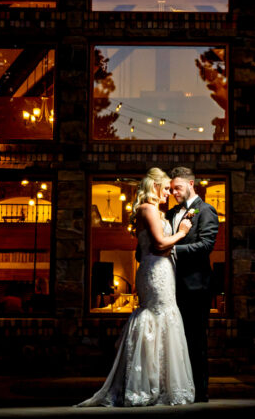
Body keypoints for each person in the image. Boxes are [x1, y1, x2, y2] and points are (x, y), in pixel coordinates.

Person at [77, 168, 195, 407]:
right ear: (155, 187)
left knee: (166, 318)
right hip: (155, 272)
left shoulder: (154, 211)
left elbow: (142, 251)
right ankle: (142, 385)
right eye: (166, 189)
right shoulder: (147, 209)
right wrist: (181, 233)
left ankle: (160, 384)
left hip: (162, 270)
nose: (169, 194)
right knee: (155, 316)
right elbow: (160, 243)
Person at [166, 166, 219, 403]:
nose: (173, 192)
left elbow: (206, 245)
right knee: (175, 341)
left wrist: (173, 250)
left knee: (195, 340)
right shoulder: (172, 213)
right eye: (171, 188)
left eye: (177, 187)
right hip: (172, 287)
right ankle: (179, 389)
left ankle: (200, 392)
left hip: (196, 288)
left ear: (190, 184)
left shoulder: (206, 211)